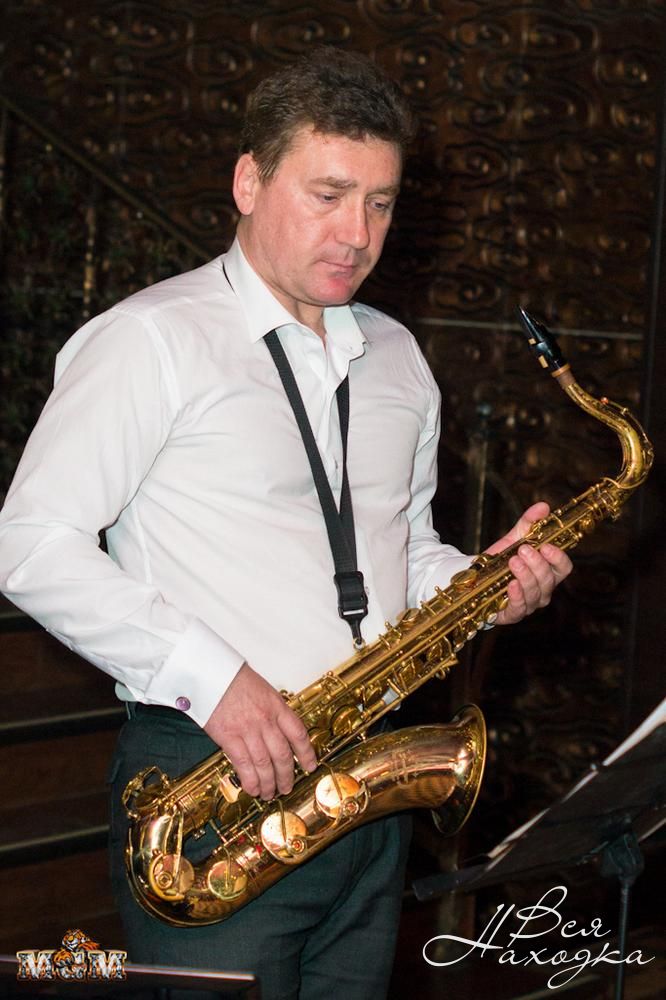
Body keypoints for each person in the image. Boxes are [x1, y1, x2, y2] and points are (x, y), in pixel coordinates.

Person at [0, 48, 572, 1000]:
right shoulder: (152, 339)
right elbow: (30, 543)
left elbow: (403, 551)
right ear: (248, 182)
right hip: (215, 776)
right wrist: (212, 678)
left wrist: (484, 586)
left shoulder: (399, 359)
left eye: (380, 203)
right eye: (328, 195)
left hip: (369, 784)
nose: (357, 233)